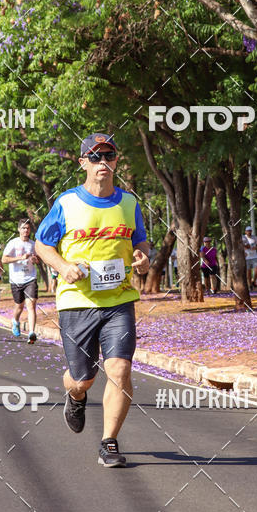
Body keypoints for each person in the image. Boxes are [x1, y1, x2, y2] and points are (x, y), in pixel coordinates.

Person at [35, 132, 150, 468]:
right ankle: (75, 395)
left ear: (117, 161)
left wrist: (142, 258)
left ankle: (109, 442)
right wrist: (62, 266)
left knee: (120, 368)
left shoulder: (129, 203)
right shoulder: (67, 203)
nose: (103, 163)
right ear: (82, 162)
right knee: (82, 377)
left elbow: (141, 243)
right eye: (96, 157)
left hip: (119, 301)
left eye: (109, 156)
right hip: (77, 302)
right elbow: (43, 245)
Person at [2, 219, 39, 344]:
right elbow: (4, 259)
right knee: (19, 306)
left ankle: (31, 333)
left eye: (27, 228)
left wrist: (34, 259)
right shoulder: (13, 243)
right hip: (16, 280)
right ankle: (15, 321)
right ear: (19, 229)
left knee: (31, 304)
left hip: (30, 279)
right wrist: (20, 258)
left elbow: (38, 260)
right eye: (23, 228)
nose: (26, 230)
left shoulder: (33, 244)